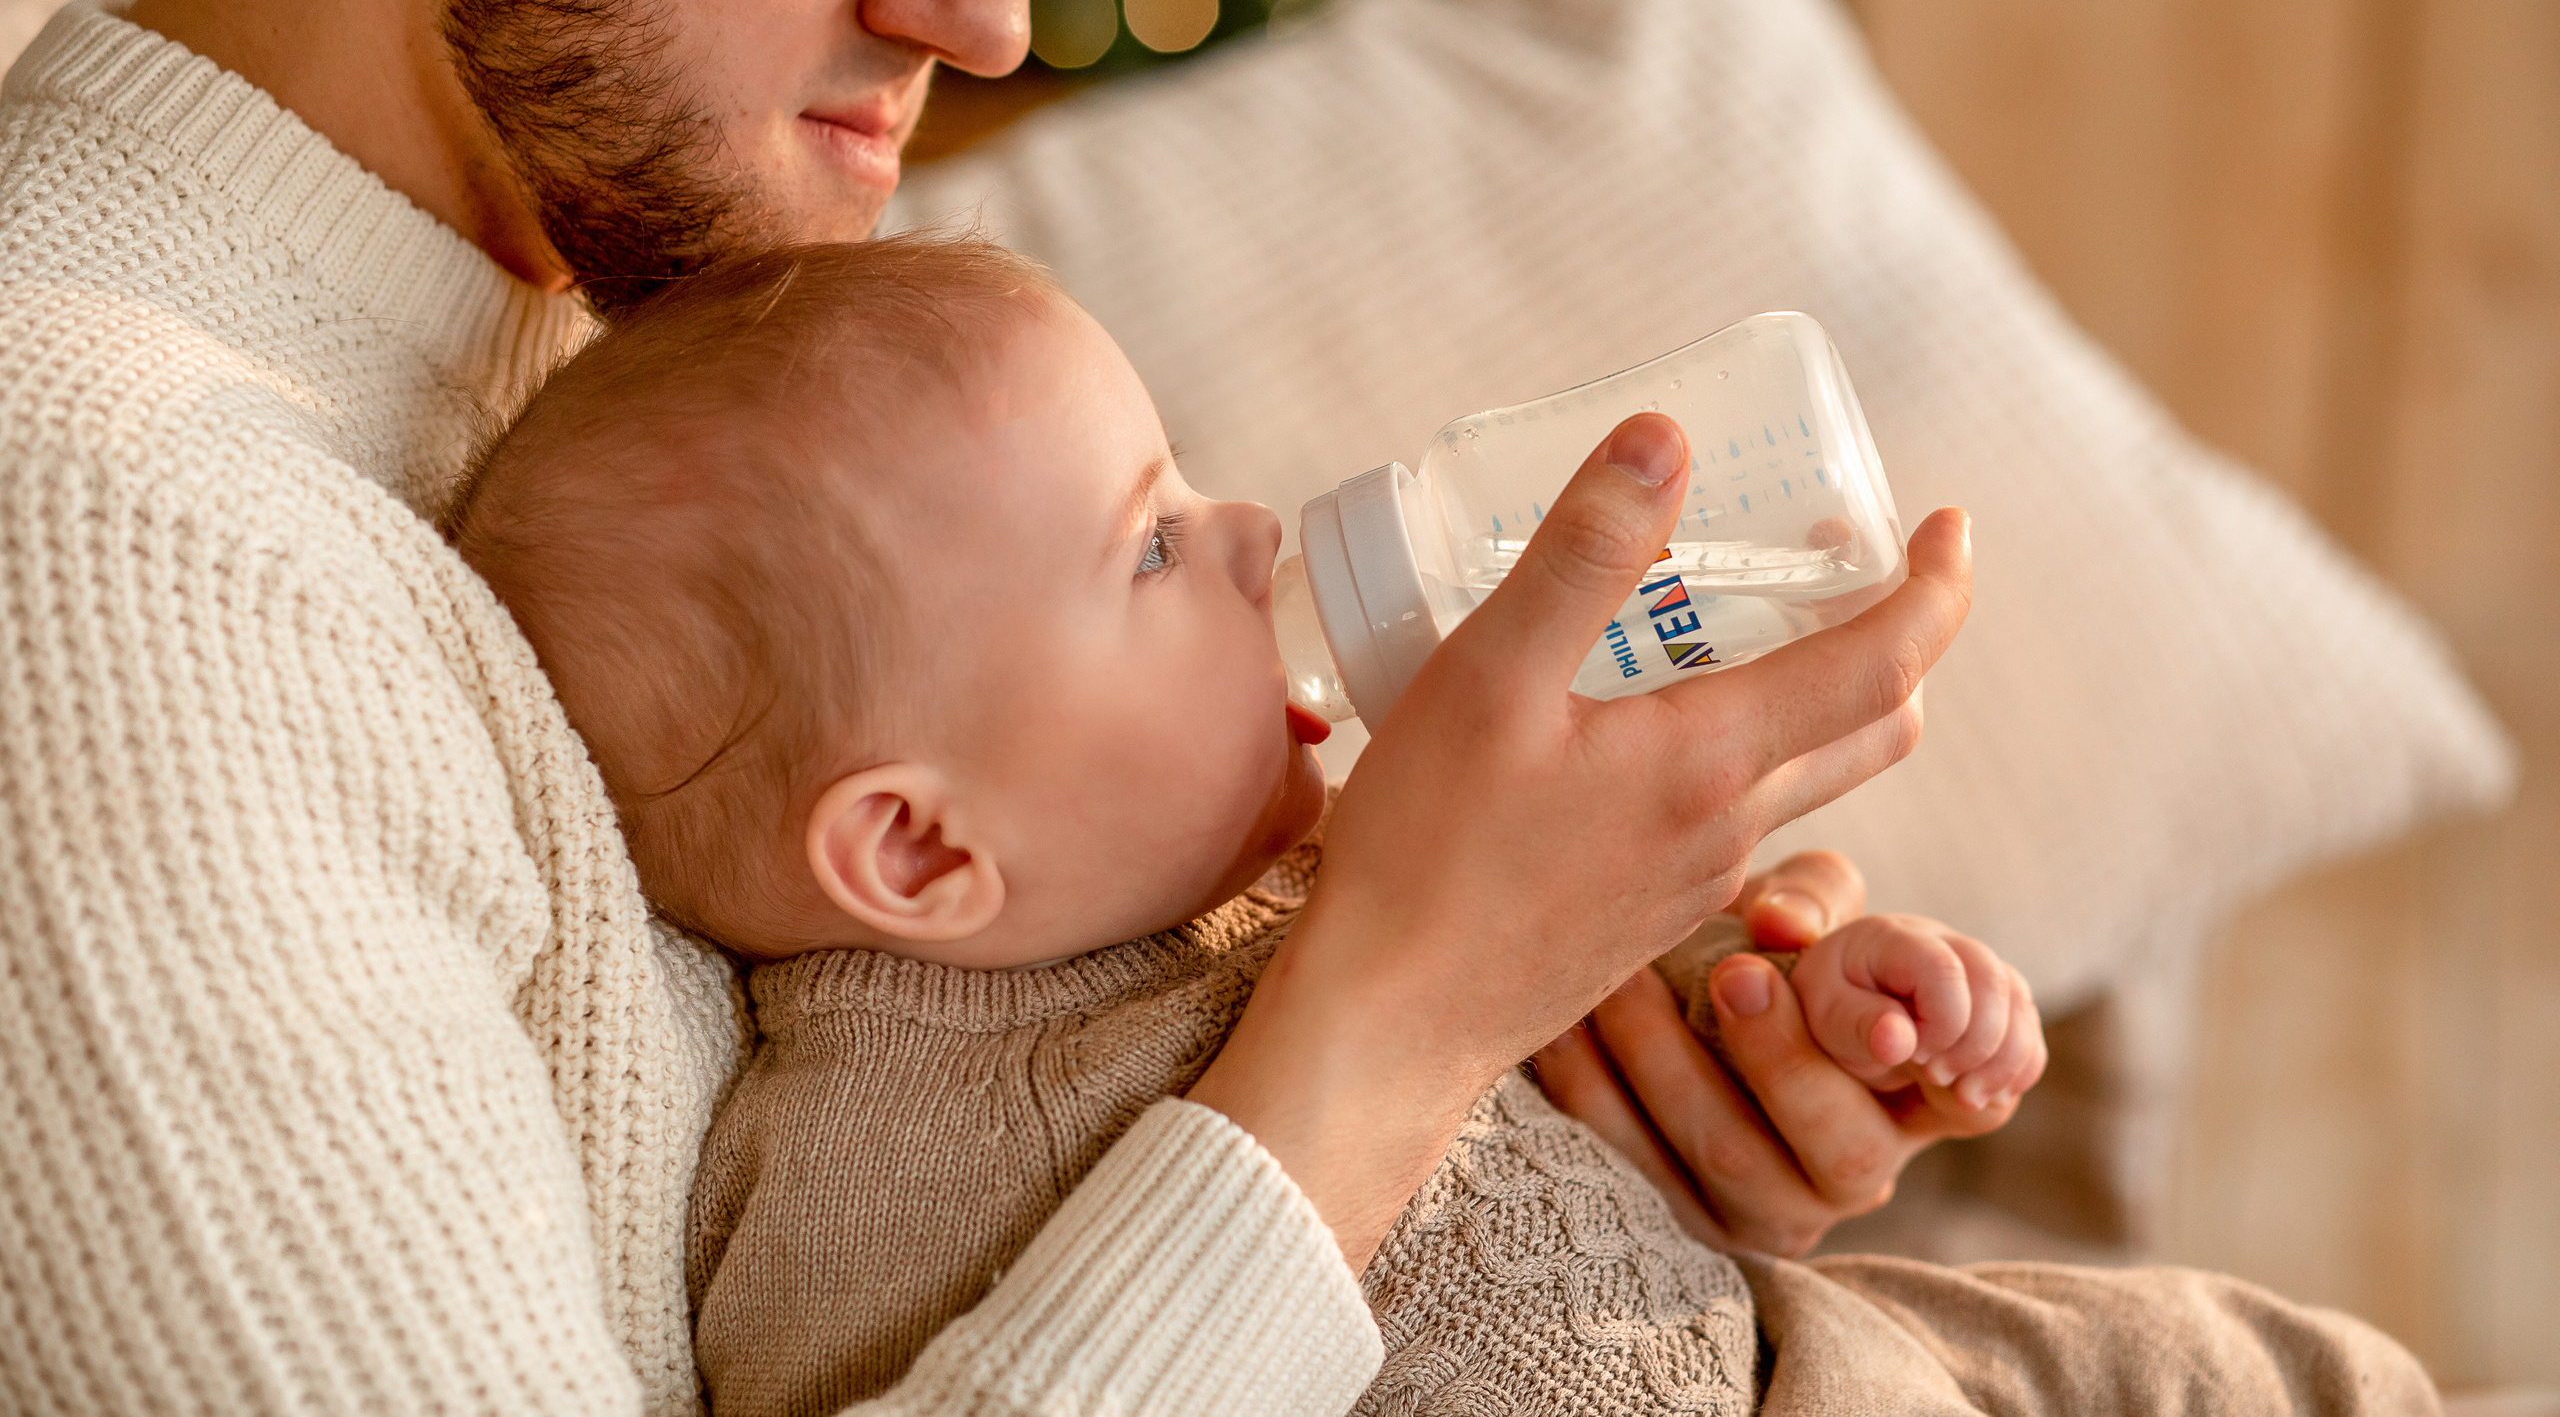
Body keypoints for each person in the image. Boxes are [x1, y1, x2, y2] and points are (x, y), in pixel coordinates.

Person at [0, 0, 2019, 1410]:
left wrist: (1577, 1055)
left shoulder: (675, 334)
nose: (979, 3)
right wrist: (1387, 1028)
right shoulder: (105, 540)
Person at [434, 236, 2050, 1417]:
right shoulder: (873, 1199)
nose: (1254, 532)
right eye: (1149, 546)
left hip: (1845, 1353)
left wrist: (1792, 998)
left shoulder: (1295, 867)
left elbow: (1570, 1103)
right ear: (924, 852)